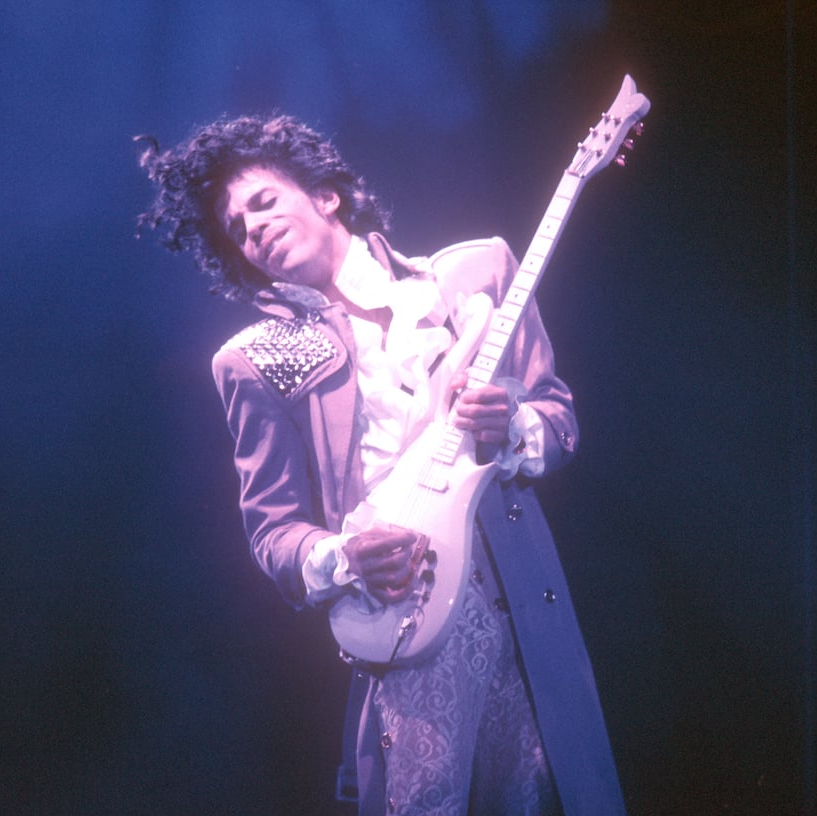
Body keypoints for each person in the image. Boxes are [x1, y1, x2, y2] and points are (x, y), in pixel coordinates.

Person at [138, 114, 624, 815]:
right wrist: (348, 558)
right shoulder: (254, 360)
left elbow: (558, 419)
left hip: (521, 597)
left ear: (325, 196)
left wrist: (511, 423)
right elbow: (274, 534)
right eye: (238, 231)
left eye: (264, 203)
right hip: (407, 610)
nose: (254, 230)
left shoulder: (473, 275)